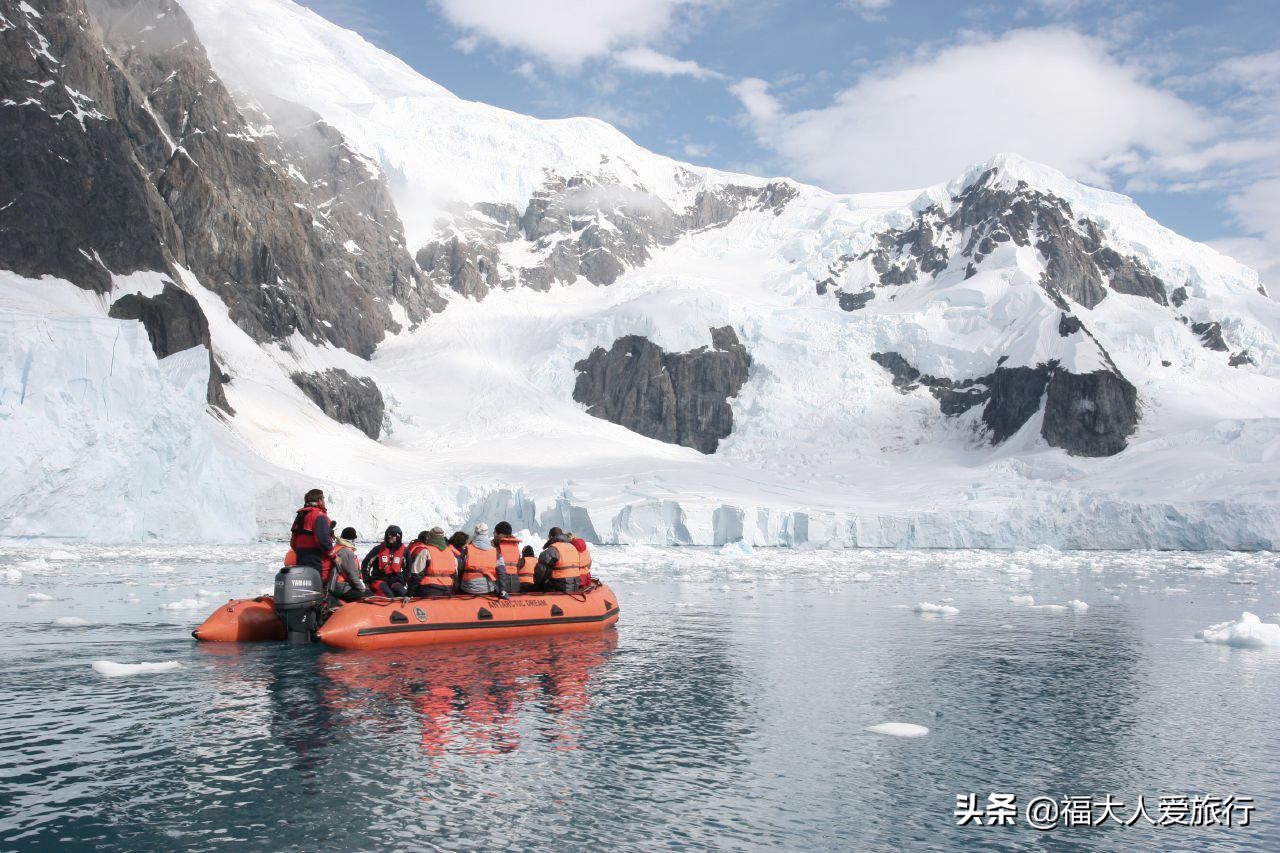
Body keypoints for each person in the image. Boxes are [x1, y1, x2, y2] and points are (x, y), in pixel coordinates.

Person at [289, 488, 333, 581]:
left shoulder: (300, 516)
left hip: (301, 557)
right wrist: (333, 556)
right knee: (317, 582)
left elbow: (293, 541)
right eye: (323, 499)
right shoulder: (319, 515)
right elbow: (323, 540)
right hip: (316, 558)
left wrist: (301, 552)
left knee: (305, 582)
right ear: (320, 500)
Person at [459, 523, 508, 597]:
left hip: (468, 588)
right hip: (488, 589)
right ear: (487, 533)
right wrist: (502, 590)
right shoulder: (495, 552)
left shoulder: (467, 550)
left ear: (475, 533)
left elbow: (459, 568)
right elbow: (502, 572)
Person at [409, 526, 459, 598]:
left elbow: (416, 574)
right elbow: (455, 576)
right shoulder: (451, 553)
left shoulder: (426, 551)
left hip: (428, 589)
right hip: (448, 589)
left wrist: (409, 594)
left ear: (430, 537)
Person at [363, 525, 409, 597]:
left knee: (403, 594)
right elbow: (365, 565)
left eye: (393, 535)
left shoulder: (404, 552)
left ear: (398, 537)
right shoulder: (377, 550)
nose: (390, 536)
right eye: (388, 534)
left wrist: (404, 581)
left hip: (395, 580)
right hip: (379, 579)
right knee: (388, 594)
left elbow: (408, 569)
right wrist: (367, 582)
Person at [328, 526, 368, 602]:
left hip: (333, 585)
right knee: (367, 596)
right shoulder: (347, 552)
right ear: (351, 540)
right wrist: (363, 590)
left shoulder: (337, 547)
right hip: (341, 586)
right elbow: (352, 575)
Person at [537, 527, 581, 593]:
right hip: (575, 586)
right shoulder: (573, 547)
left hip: (559, 587)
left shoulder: (552, 550)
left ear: (551, 537)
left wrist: (537, 585)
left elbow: (540, 572)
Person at [492, 521, 523, 595]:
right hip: (516, 583)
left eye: (494, 532)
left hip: (501, 583)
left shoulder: (496, 546)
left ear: (499, 534)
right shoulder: (515, 546)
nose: (493, 534)